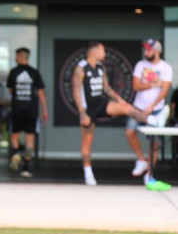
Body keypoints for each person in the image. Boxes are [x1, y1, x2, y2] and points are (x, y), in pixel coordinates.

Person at [72, 41, 168, 186]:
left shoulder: (100, 67)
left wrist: (120, 100)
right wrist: (82, 113)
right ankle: (88, 173)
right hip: (87, 108)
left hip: (101, 102)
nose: (104, 54)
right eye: (102, 50)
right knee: (87, 141)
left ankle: (153, 120)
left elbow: (107, 88)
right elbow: (76, 90)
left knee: (126, 108)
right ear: (94, 51)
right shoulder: (81, 68)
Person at [124, 39, 172, 190]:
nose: (146, 52)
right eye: (145, 49)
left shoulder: (166, 67)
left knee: (154, 143)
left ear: (157, 51)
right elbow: (136, 85)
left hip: (156, 109)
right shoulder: (140, 65)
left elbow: (164, 90)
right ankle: (141, 159)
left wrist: (152, 106)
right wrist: (152, 84)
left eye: (149, 50)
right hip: (138, 108)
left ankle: (149, 175)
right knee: (129, 132)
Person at [6, 47, 49, 178]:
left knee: (15, 135)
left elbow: (10, 90)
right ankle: (26, 166)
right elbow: (41, 93)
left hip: (17, 108)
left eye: (16, 56)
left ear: (19, 56)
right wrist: (45, 110)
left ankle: (16, 152)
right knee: (30, 139)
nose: (15, 59)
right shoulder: (34, 72)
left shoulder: (13, 72)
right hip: (32, 110)